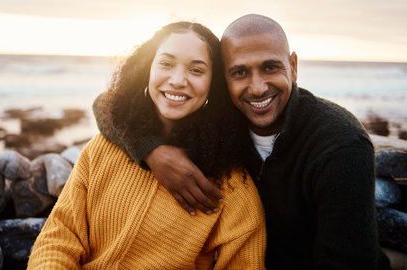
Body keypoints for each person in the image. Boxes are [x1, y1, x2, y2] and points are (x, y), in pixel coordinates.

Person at [94, 15, 392, 269]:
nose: (257, 87)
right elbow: (108, 105)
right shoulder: (220, 124)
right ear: (223, 79)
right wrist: (153, 151)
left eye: (270, 67)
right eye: (239, 72)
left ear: (293, 66)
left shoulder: (340, 144)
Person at [27, 21, 266, 269]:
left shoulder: (232, 185)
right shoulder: (102, 148)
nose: (177, 80)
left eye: (196, 70)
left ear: (213, 84)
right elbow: (59, 236)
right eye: (166, 63)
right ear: (146, 69)